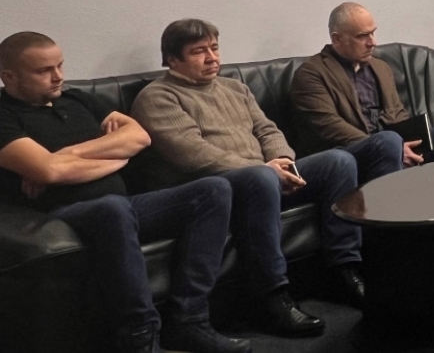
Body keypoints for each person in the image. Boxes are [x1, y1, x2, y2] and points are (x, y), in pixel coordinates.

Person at [0, 32, 247, 353]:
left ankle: (189, 320)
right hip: (58, 217)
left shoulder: (77, 99)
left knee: (213, 190)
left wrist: (67, 155)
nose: (58, 76)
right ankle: (140, 336)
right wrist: (111, 157)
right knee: (111, 208)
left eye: (60, 65)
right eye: (44, 70)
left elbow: (139, 137)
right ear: (10, 76)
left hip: (124, 206)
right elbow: (48, 171)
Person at [131, 19, 363, 338]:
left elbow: (267, 130)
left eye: (214, 48)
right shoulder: (158, 97)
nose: (212, 57)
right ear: (172, 60)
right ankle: (271, 296)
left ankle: (344, 268)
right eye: (199, 52)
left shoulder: (235, 88)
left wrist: (282, 161)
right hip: (212, 189)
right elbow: (192, 153)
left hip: (264, 175)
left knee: (339, 161)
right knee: (260, 177)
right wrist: (263, 169)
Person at [290, 2, 434, 184]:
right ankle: (389, 202)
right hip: (352, 153)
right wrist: (393, 146)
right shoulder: (311, 74)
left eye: (372, 33)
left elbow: (397, 112)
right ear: (337, 39)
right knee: (388, 141)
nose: (372, 43)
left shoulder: (380, 67)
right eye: (362, 36)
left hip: (393, 145)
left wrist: (410, 144)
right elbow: (330, 128)